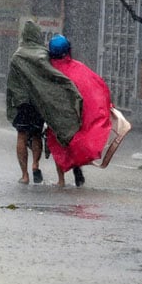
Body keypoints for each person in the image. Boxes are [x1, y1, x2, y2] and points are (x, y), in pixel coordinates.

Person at [6, 21, 83, 184]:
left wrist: (11, 105)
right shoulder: (44, 54)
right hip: (40, 102)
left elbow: (11, 85)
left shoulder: (17, 57)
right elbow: (52, 76)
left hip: (23, 103)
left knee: (21, 136)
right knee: (36, 135)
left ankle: (25, 175)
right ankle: (35, 165)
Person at [46, 34, 113, 187]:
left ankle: (61, 180)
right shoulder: (78, 68)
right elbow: (96, 86)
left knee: (57, 144)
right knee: (74, 142)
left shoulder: (48, 70)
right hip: (74, 114)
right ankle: (77, 168)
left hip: (57, 115)